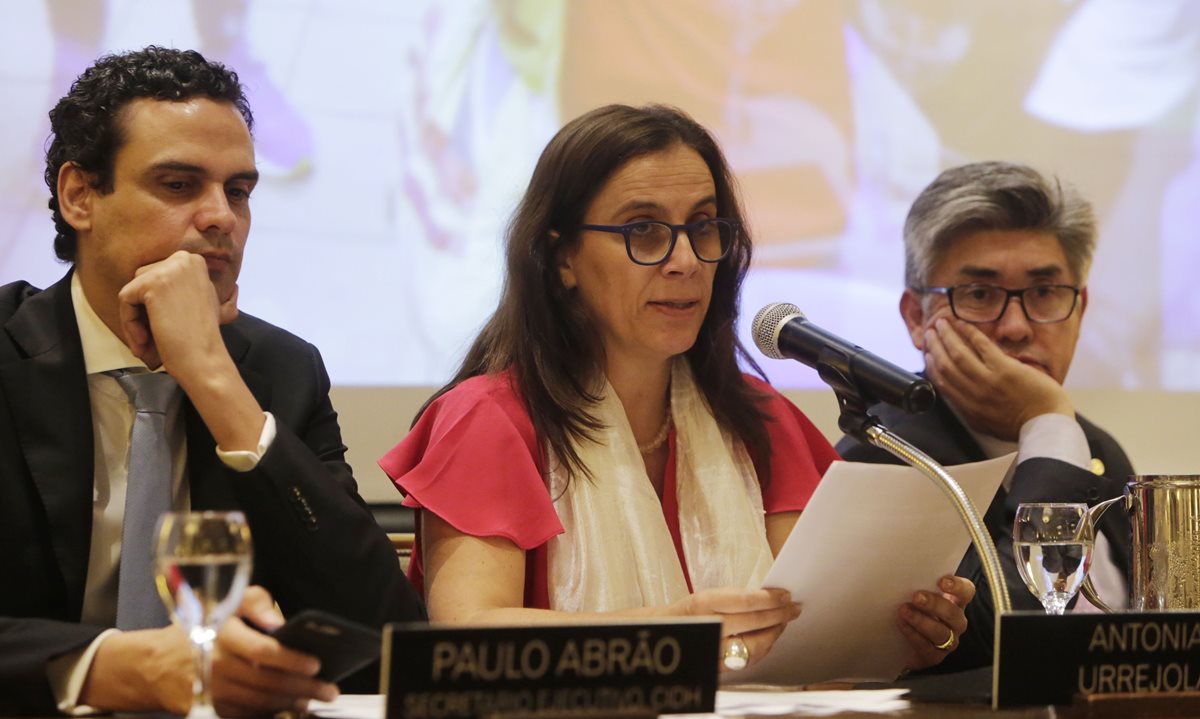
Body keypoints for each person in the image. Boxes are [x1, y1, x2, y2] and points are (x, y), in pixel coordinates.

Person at [380, 104, 973, 675]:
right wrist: (666, 638)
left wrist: (901, 638)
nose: (686, 260)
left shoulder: (764, 421)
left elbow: (812, 645)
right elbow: (469, 635)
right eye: (644, 230)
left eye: (703, 228)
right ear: (562, 258)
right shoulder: (488, 419)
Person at [0, 46, 423, 717]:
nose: (221, 216)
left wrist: (213, 378)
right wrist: (118, 668)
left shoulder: (278, 370)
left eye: (239, 191)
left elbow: (385, 641)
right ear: (79, 195)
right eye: (178, 185)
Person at [836, 161, 1133, 671]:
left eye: (1044, 293)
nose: (1016, 327)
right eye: (979, 295)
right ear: (916, 317)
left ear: (1080, 310)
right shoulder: (884, 456)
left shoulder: (1098, 449)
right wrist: (1047, 421)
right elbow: (1015, 641)